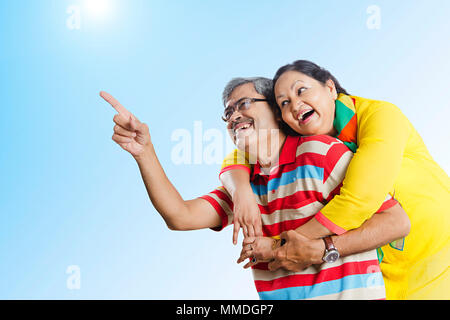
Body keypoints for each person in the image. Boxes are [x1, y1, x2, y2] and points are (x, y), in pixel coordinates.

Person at [99, 77, 410, 299]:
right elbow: (179, 216)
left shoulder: (320, 153)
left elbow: (396, 222)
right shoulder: (242, 188)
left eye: (244, 104)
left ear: (276, 110)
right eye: (228, 112)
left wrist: (321, 249)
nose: (234, 115)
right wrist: (145, 152)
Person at [219, 60, 450, 299]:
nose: (296, 105)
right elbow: (242, 152)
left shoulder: (380, 116)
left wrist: (279, 246)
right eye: (284, 103)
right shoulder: (307, 142)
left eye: (301, 90)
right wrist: (240, 190)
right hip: (386, 276)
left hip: (439, 258)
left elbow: (360, 199)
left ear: (330, 88)